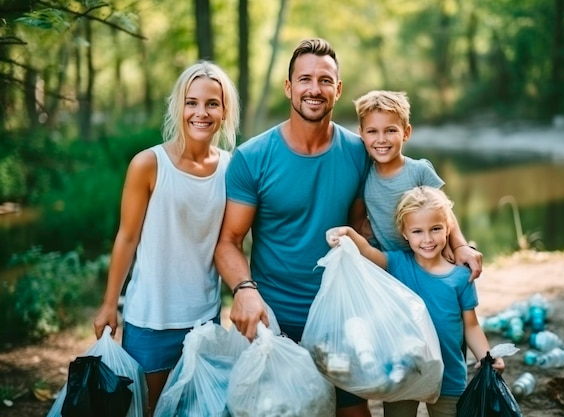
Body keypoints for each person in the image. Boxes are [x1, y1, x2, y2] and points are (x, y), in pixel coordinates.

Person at [214, 38, 373, 417]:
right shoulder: (253, 157)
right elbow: (228, 242)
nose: (314, 89)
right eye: (304, 79)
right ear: (289, 88)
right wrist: (245, 290)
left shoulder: (359, 152)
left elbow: (363, 228)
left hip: (339, 318)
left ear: (338, 89)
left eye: (324, 80)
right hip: (275, 323)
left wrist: (453, 241)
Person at [93, 61, 240, 416]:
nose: (201, 112)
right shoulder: (148, 164)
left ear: (224, 111)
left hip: (205, 319)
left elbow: (232, 241)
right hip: (151, 318)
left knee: (200, 410)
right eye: (192, 102)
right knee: (149, 410)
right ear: (179, 107)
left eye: (212, 103)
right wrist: (110, 302)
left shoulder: (233, 168)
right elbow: (127, 237)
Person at [326, 185, 505, 417]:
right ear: (404, 233)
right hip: (402, 373)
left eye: (436, 229)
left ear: (448, 228)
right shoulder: (397, 264)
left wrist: (487, 356)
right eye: (417, 231)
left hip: (448, 377)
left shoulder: (461, 277)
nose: (427, 239)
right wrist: (349, 234)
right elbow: (368, 254)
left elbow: (470, 325)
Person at [353, 90, 482, 279]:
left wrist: (459, 246)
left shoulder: (419, 170)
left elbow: (445, 213)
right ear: (362, 134)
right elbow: (359, 222)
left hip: (431, 257)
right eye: (372, 131)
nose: (381, 139)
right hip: (392, 264)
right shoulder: (364, 176)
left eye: (390, 130)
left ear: (406, 133)